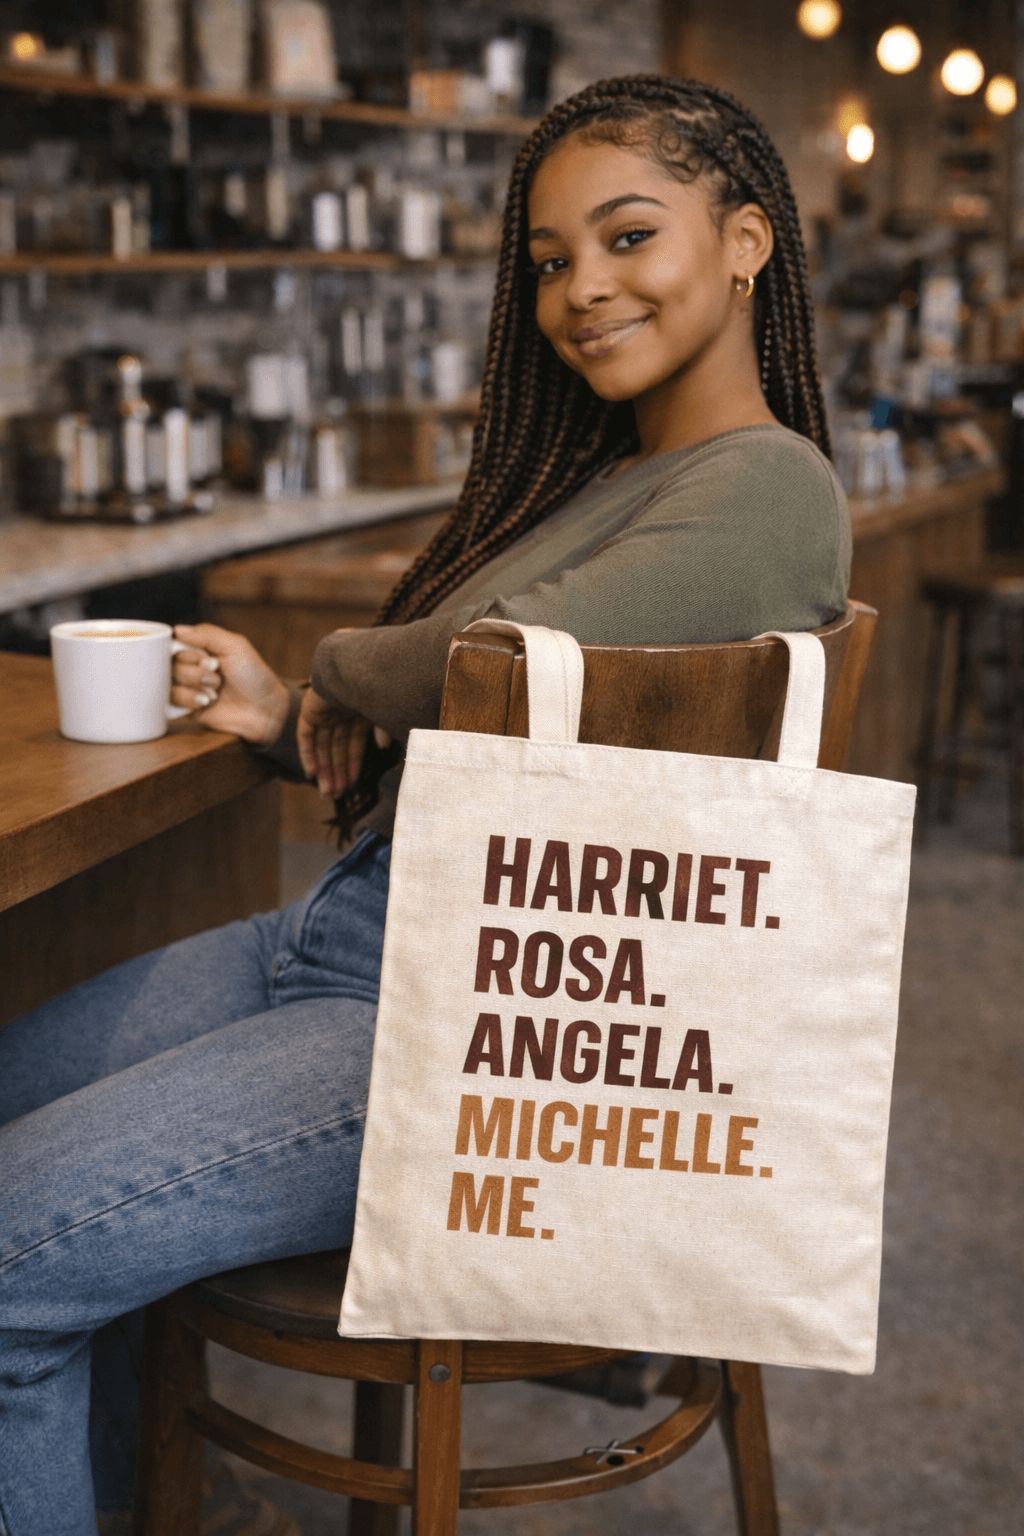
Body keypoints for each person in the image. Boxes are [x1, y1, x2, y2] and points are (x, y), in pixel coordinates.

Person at [0, 76, 849, 1535]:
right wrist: (295, 724)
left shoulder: (771, 488)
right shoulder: (616, 474)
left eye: (628, 236)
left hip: (479, 1020)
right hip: (356, 938)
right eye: (549, 260)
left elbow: (484, 668)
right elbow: (502, 721)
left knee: (10, 1254)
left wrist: (341, 662)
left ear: (747, 239)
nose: (583, 288)